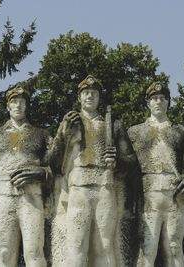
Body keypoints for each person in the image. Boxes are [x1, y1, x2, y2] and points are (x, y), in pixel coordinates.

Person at [52, 75, 137, 267]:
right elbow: (54, 163)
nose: (89, 96)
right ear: (80, 97)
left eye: (94, 93)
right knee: (76, 245)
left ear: (99, 97)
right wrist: (63, 135)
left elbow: (132, 162)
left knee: (104, 247)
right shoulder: (70, 123)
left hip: (104, 187)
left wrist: (117, 160)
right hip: (79, 188)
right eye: (86, 93)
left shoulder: (113, 125)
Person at [128, 82, 184, 267]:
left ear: (168, 102)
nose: (158, 102)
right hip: (148, 195)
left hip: (174, 194)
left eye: (162, 98)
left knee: (174, 246)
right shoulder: (135, 132)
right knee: (147, 248)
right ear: (148, 103)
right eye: (154, 99)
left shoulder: (181, 131)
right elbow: (126, 166)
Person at [0, 84, 48, 267]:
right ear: (8, 106)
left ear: (26, 106)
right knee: (4, 252)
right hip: (4, 199)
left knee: (34, 251)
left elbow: (57, 168)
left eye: (22, 102)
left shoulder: (41, 135)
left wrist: (42, 172)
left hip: (31, 198)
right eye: (14, 102)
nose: (18, 105)